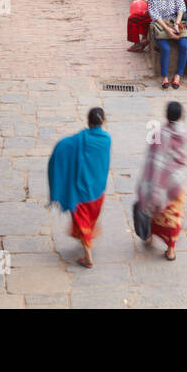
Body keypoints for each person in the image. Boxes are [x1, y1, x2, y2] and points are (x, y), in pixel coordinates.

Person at [47, 107, 111, 269]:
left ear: (88, 121)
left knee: (82, 219)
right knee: (89, 218)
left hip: (81, 191)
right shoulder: (106, 139)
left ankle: (88, 256)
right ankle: (87, 236)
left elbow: (62, 146)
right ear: (103, 122)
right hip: (98, 189)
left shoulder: (77, 140)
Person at [137, 101, 187, 261]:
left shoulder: (158, 134)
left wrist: (150, 184)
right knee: (173, 216)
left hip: (159, 181)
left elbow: (153, 159)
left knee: (154, 210)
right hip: (175, 182)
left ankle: (149, 236)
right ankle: (170, 250)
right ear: (181, 116)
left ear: (167, 115)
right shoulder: (184, 134)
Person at [148, 0, 187, 90]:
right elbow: (155, 15)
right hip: (160, 25)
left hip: (175, 23)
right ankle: (164, 76)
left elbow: (181, 8)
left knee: (184, 46)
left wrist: (176, 24)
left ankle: (178, 75)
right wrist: (167, 30)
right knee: (165, 48)